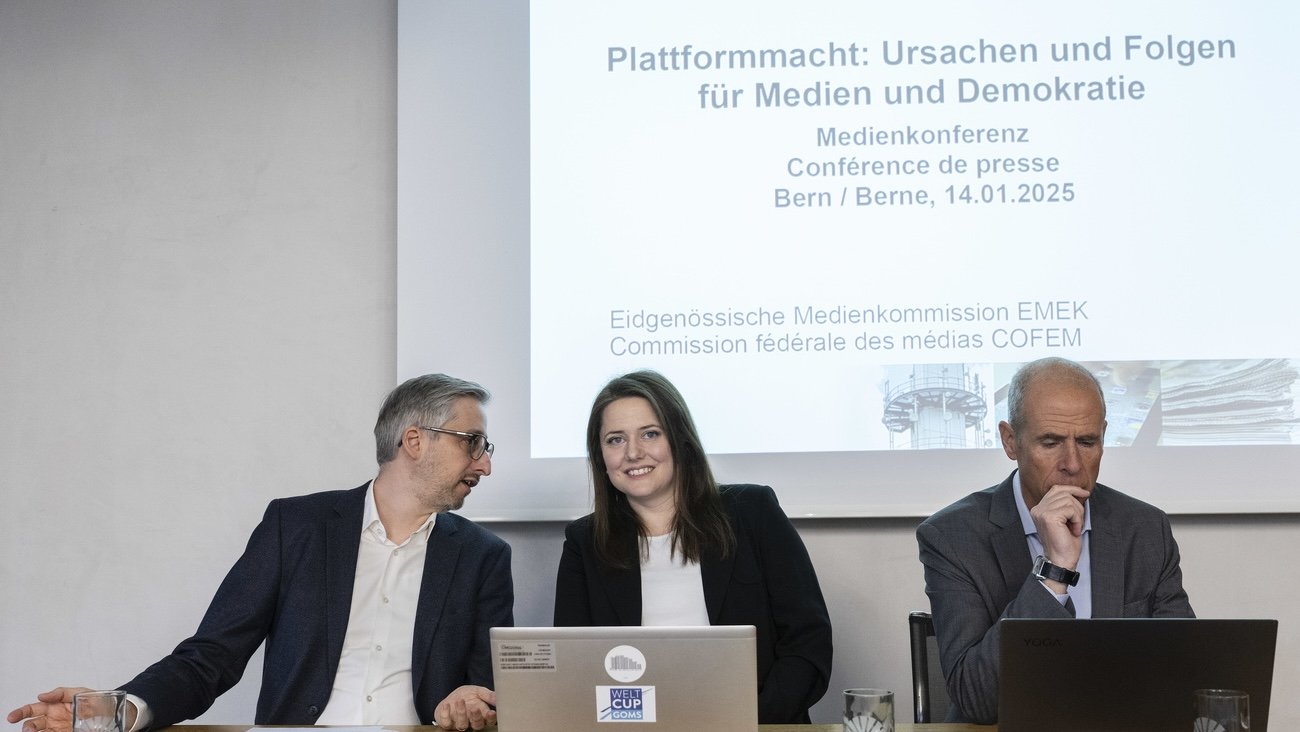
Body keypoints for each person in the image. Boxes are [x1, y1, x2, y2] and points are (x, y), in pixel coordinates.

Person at [8, 374, 513, 732]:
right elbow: (212, 656)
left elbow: (488, 687)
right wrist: (118, 711)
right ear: (414, 440)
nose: (484, 464)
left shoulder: (483, 556)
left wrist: (474, 698)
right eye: (474, 442)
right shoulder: (295, 528)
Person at [916, 357, 1194, 724]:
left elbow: (1187, 673)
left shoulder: (1144, 529)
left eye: (1087, 441)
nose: (1073, 463)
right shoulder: (953, 536)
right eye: (1051, 442)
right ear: (1010, 440)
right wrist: (1054, 571)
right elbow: (978, 698)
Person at [553, 370, 833, 724]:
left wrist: (746, 721)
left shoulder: (753, 512)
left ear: (680, 440)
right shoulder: (584, 542)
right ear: (601, 456)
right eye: (615, 440)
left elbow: (808, 643)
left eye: (650, 434)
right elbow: (574, 671)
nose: (634, 453)